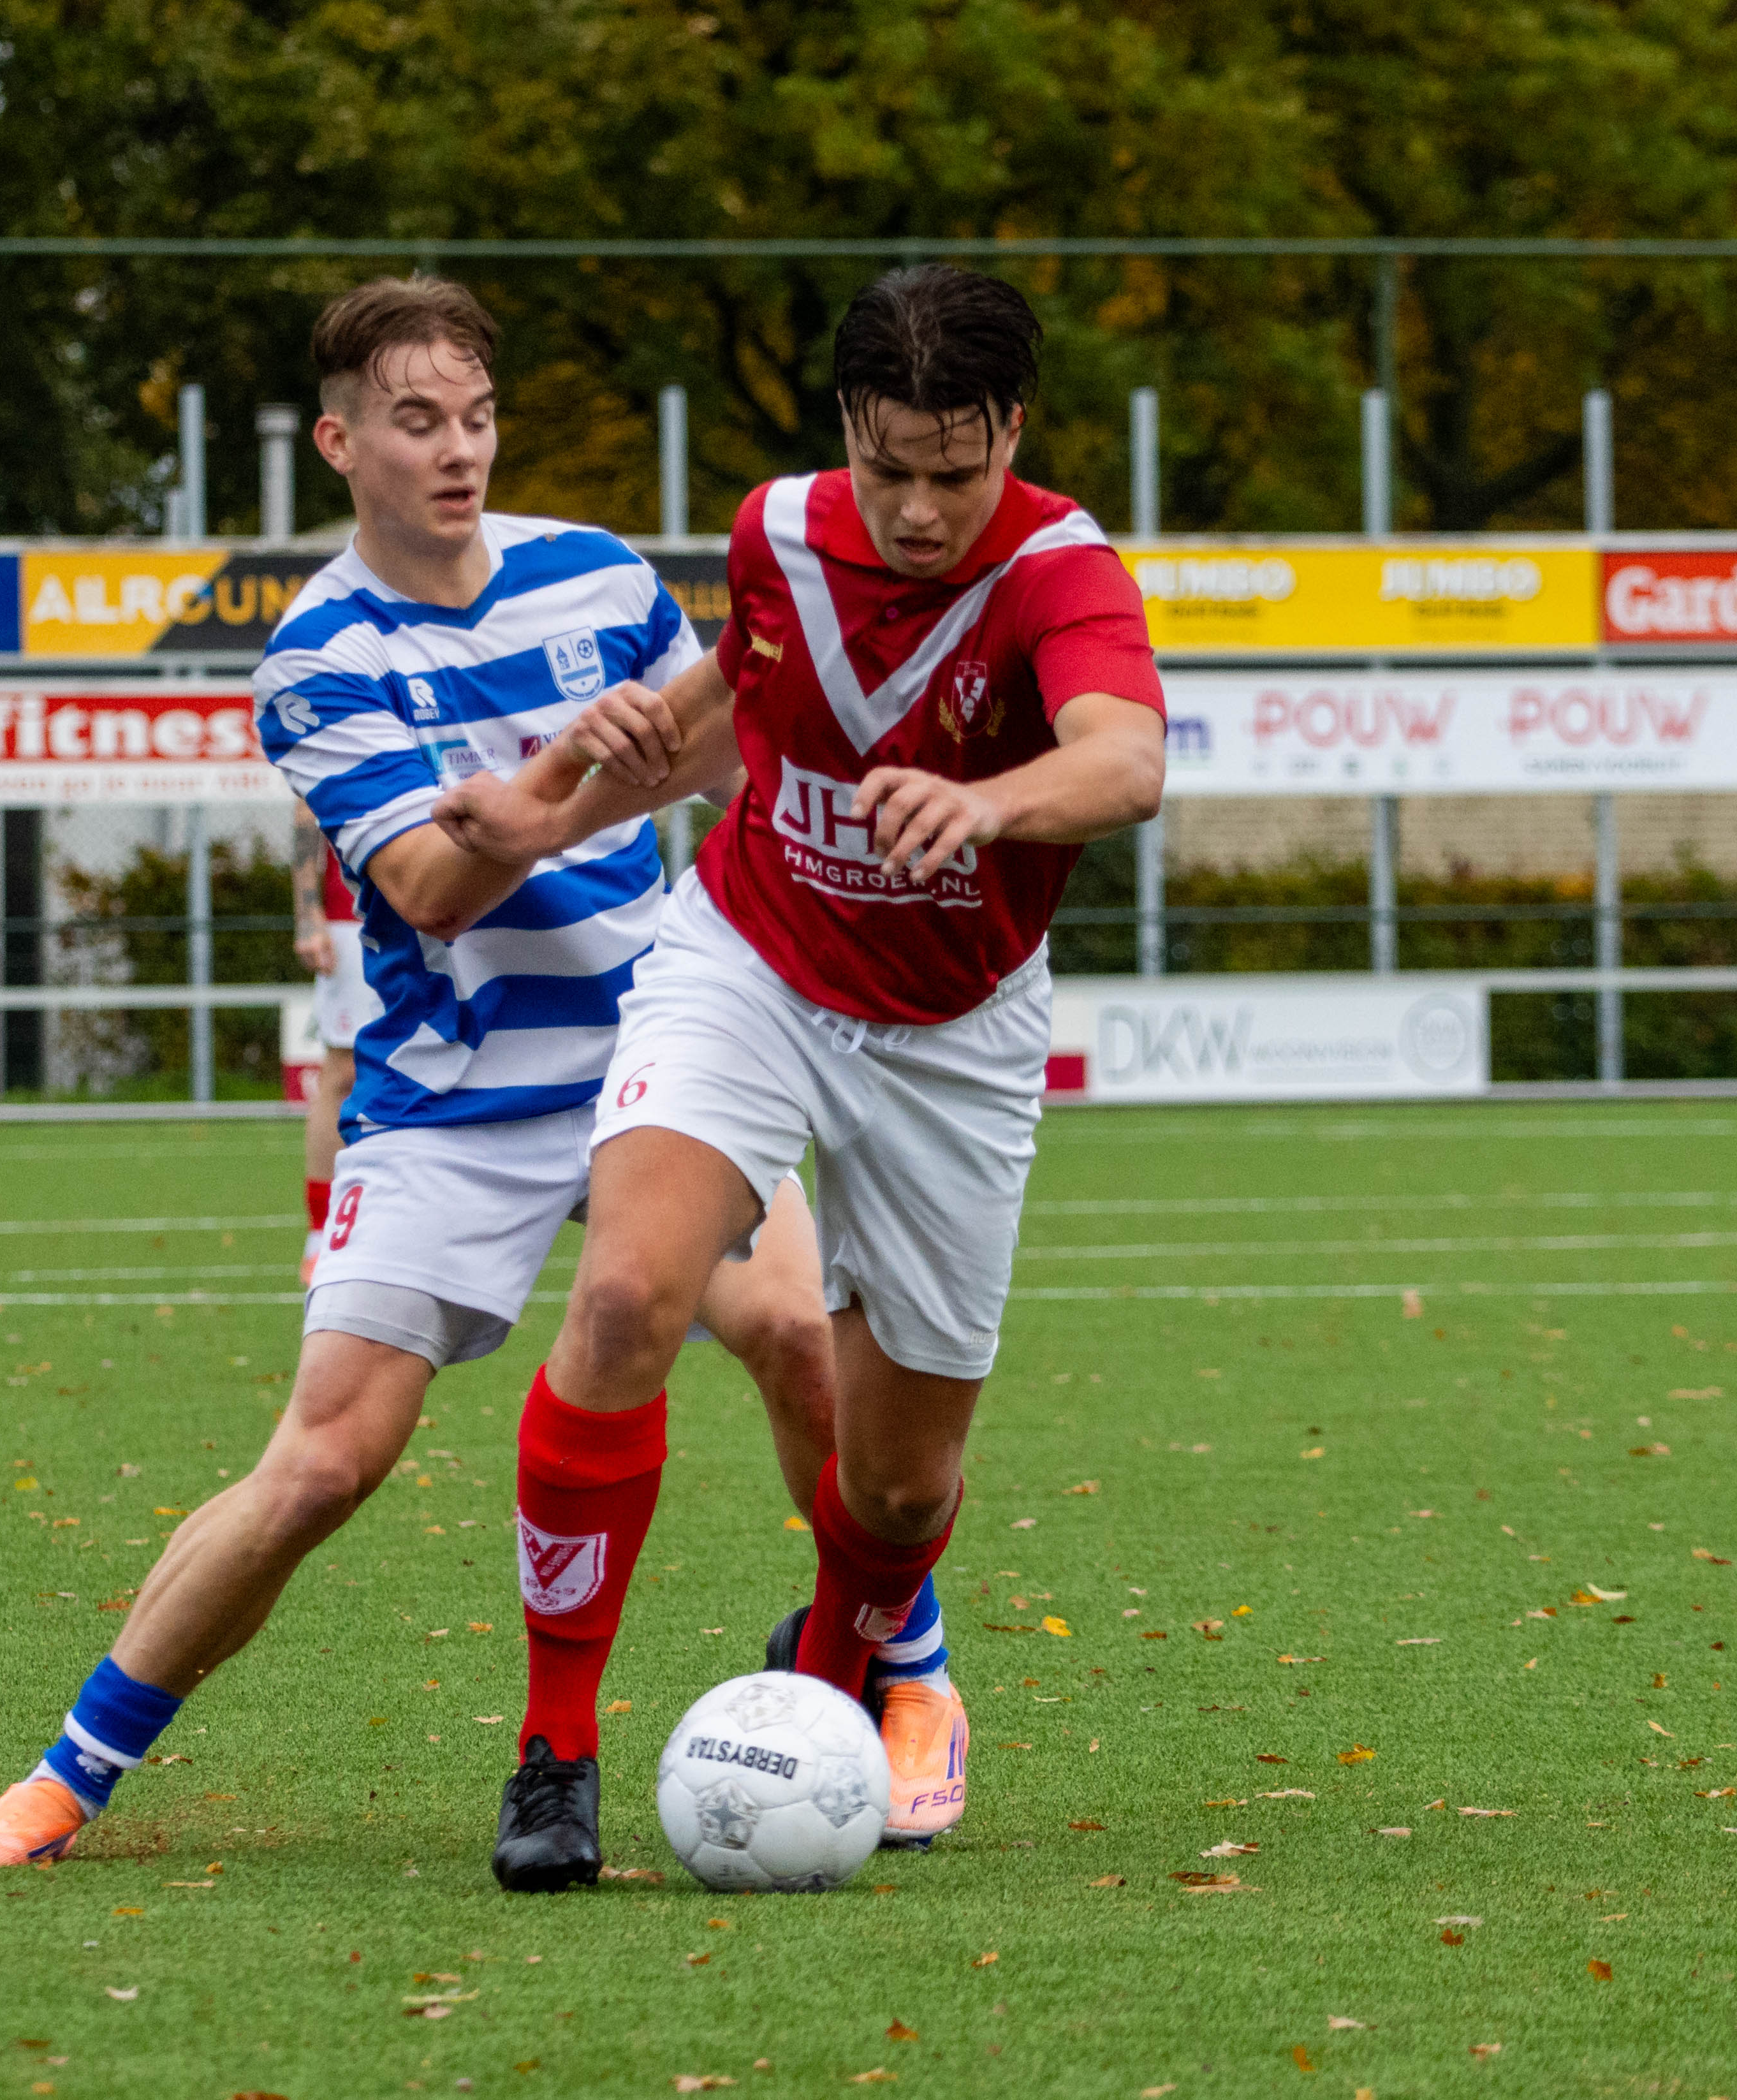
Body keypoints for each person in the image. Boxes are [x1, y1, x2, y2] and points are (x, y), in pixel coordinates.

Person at [0, 275, 891, 1870]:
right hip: (453, 1090)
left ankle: (891, 1674)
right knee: (323, 1461)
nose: (459, 452)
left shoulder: (593, 573)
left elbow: (723, 743)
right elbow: (438, 887)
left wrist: (595, 771)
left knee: (795, 1330)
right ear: (340, 442)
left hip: (663, 1045)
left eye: (478, 418)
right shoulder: (315, 656)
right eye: (418, 423)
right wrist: (582, 766)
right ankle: (68, 1775)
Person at [434, 264, 1167, 1891]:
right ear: (848, 429)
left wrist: (991, 804)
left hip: (954, 1037)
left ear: (1011, 435)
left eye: (953, 469)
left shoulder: (1059, 568)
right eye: (889, 463)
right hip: (747, 964)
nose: (916, 507)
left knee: (899, 1490)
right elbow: (725, 709)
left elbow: (1125, 758)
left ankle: (830, 1671)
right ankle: (556, 1752)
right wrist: (550, 807)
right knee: (626, 1293)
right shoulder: (774, 529)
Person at [291, 798, 374, 1285]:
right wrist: (308, 914)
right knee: (343, 1072)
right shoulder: (342, 719)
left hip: (451, 906)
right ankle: (322, 1231)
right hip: (352, 916)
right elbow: (306, 807)